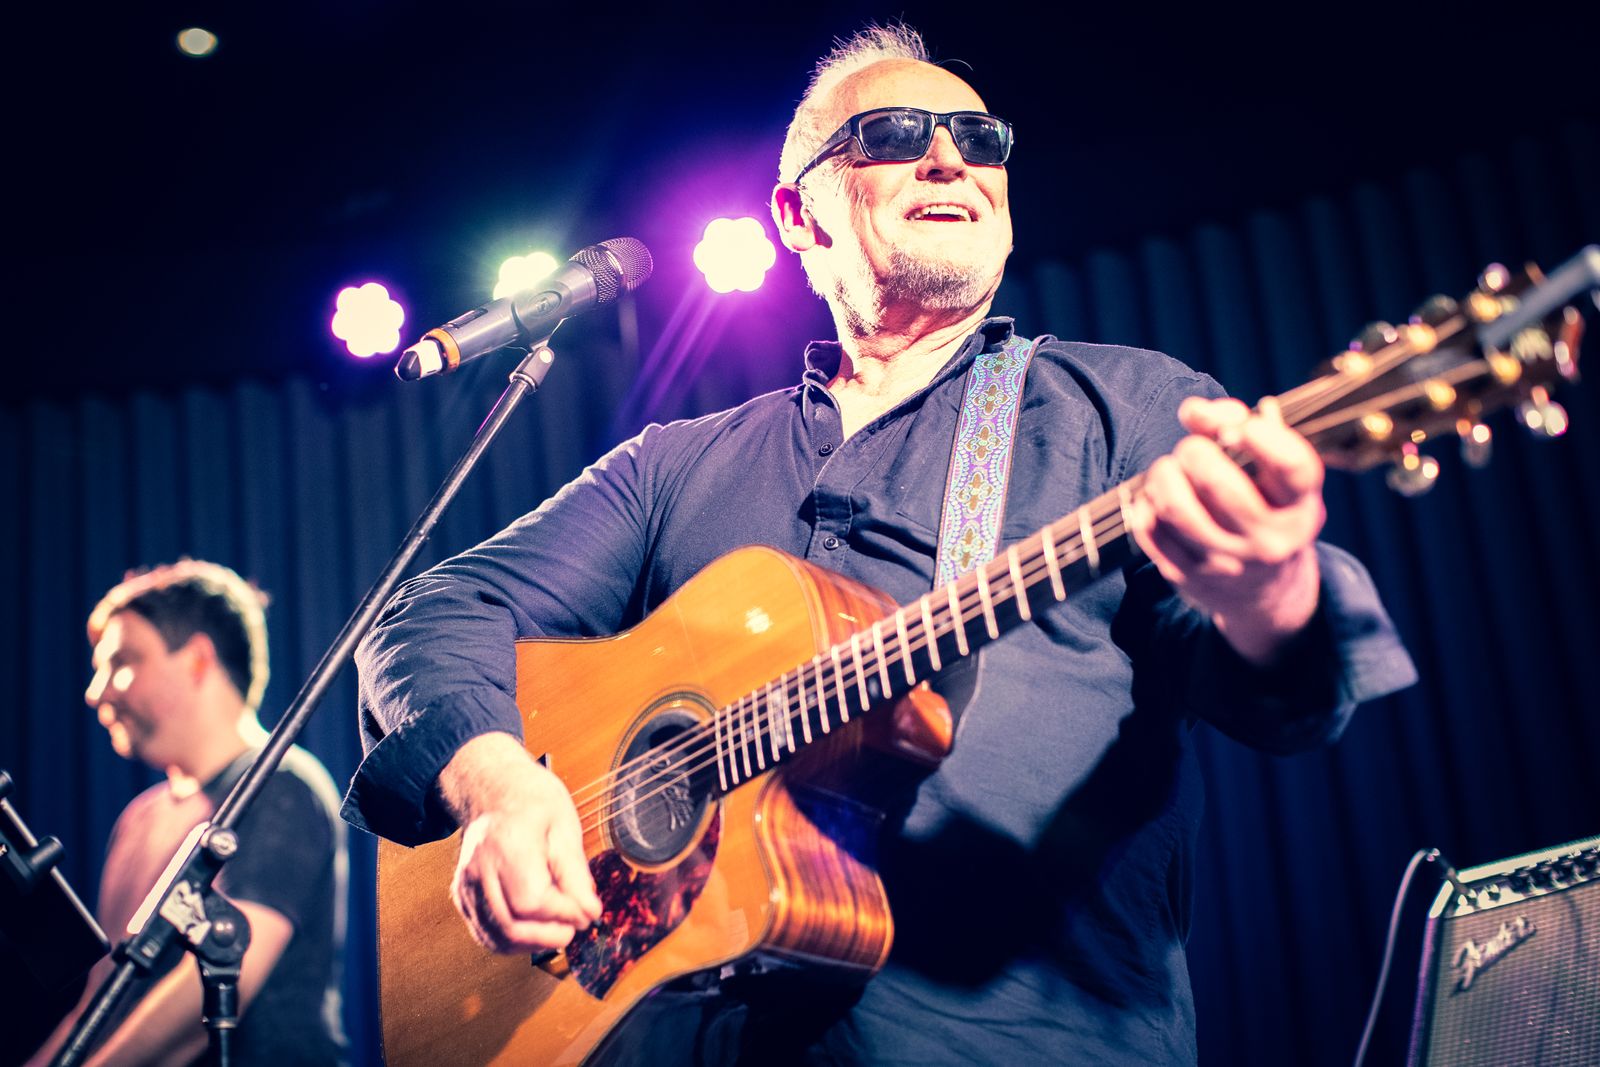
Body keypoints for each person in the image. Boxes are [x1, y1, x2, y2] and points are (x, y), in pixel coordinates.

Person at [343, 23, 1417, 1064]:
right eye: (895, 135)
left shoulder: (1124, 408)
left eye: (981, 140)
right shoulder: (675, 463)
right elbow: (426, 617)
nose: (951, 158)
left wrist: (1270, 587)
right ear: (797, 215)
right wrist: (498, 781)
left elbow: (1285, 689)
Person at [25, 560, 348, 1067]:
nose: (95, 691)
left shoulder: (281, 786)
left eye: (122, 661)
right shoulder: (138, 819)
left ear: (198, 659)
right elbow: (103, 1002)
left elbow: (217, 985)